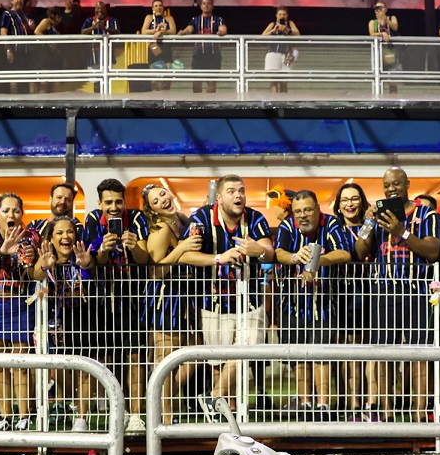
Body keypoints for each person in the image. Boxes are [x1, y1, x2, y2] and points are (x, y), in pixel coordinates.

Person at [179, 175, 274, 421]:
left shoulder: (255, 218)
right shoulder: (201, 218)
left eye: (242, 190)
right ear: (219, 198)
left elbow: (269, 252)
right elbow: (185, 255)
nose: (239, 195)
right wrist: (219, 258)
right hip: (213, 303)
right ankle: (225, 410)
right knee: (219, 360)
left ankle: (214, 395)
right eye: (231, 191)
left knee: (247, 352)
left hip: (250, 302)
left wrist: (259, 251)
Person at [369, 168, 440, 421]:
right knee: (384, 353)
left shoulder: (426, 213)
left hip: (417, 291)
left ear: (407, 184)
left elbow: (433, 250)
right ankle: (387, 414)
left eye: (397, 184)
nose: (391, 189)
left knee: (419, 353)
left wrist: (402, 232)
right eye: (387, 185)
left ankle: (420, 413)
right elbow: (360, 248)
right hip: (384, 290)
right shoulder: (378, 216)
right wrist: (369, 221)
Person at [274, 190, 353, 418]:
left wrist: (317, 261)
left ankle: (323, 406)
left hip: (325, 303)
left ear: (318, 208)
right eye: (298, 211)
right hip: (292, 302)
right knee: (299, 355)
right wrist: (295, 257)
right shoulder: (288, 227)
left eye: (308, 210)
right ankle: (305, 403)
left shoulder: (332, 224)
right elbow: (279, 253)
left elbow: (345, 253)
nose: (303, 215)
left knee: (322, 354)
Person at [85, 178, 150, 432]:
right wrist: (103, 249)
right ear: (100, 202)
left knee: (134, 356)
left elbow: (145, 259)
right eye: (108, 202)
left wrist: (133, 248)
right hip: (102, 300)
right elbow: (93, 260)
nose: (114, 207)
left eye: (118, 202)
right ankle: (118, 410)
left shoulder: (136, 219)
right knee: (109, 358)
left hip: (132, 299)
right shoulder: (91, 219)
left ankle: (136, 415)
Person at [140, 183, 203, 425]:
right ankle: (164, 419)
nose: (163, 200)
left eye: (163, 194)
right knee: (166, 361)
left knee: (195, 352)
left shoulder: (183, 219)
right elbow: (156, 270)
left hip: (186, 298)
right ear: (152, 210)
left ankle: (158, 400)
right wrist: (182, 249)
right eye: (156, 201)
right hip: (165, 300)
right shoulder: (161, 228)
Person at [0, 193, 38, 431]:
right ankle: (4, 417)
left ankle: (24, 416)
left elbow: (33, 268)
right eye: (6, 210)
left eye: (16, 211)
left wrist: (33, 257)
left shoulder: (30, 236)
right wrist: (3, 250)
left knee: (20, 362)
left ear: (22, 214)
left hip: (20, 303)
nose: (11, 215)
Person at [32, 216, 95, 431]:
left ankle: (82, 417)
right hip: (54, 323)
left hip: (83, 318)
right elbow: (35, 274)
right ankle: (70, 401)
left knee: (85, 370)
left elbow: (91, 268)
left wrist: (86, 264)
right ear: (50, 238)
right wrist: (45, 265)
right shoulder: (46, 258)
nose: (65, 237)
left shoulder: (83, 255)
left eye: (69, 232)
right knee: (55, 368)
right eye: (59, 233)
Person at [333, 182, 379, 420]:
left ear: (362, 201)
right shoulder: (334, 229)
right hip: (342, 294)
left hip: (370, 291)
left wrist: (370, 223)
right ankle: (351, 405)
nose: (349, 204)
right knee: (347, 350)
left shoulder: (373, 225)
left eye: (354, 199)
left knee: (369, 349)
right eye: (344, 200)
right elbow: (354, 253)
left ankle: (371, 405)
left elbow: (363, 252)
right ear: (338, 206)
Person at [179, 0, 227, 94]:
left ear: (212, 6)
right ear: (201, 6)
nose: (206, 5)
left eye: (209, 3)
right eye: (204, 3)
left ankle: (209, 106)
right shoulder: (195, 19)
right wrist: (184, 32)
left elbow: (223, 29)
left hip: (214, 55)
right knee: (196, 82)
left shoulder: (218, 19)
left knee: (211, 82)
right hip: (199, 54)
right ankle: (197, 105)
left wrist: (221, 32)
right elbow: (189, 29)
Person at [0, 0, 34, 93]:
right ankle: (14, 101)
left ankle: (25, 102)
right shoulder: (7, 14)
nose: (19, 0)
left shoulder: (25, 16)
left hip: (26, 51)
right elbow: (3, 31)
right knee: (14, 76)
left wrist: (32, 28)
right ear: (12, 1)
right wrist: (8, 49)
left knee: (26, 77)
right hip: (15, 50)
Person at [261, 7, 299, 93]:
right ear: (276, 16)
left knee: (284, 81)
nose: (282, 16)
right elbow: (262, 36)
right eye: (280, 14)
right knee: (274, 81)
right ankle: (273, 102)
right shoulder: (272, 24)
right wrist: (273, 31)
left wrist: (288, 31)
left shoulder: (290, 23)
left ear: (287, 15)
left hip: (286, 55)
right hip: (273, 54)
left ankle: (284, 102)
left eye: (284, 14)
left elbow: (297, 34)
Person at [370, 2, 399, 93]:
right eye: (376, 8)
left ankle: (393, 95)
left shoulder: (392, 18)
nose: (378, 10)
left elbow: (395, 27)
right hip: (379, 50)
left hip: (391, 49)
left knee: (392, 74)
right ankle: (379, 93)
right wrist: (382, 34)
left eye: (380, 7)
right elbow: (372, 33)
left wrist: (385, 19)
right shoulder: (373, 22)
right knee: (379, 73)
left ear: (385, 9)